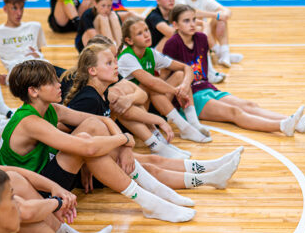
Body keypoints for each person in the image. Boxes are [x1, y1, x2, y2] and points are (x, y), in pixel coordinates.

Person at [0, 60, 195, 223]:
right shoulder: (29, 121)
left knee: (93, 126)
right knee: (87, 141)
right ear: (33, 91)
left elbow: (103, 120)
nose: (59, 84)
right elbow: (88, 147)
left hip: (45, 178)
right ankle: (151, 200)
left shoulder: (52, 110)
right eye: (52, 82)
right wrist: (125, 138)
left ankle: (153, 197)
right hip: (32, 194)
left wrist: (125, 147)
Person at [65, 43, 241, 192]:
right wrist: (84, 163)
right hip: (87, 169)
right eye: (110, 62)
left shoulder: (103, 94)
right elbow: (65, 131)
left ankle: (213, 167)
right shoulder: (88, 99)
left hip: (103, 155)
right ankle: (209, 179)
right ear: (93, 70)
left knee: (155, 160)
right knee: (150, 168)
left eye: (115, 60)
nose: (116, 66)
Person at [164, 5, 305, 135]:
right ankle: (281, 126)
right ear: (175, 25)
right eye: (186, 21)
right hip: (191, 96)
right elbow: (167, 77)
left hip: (207, 87)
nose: (192, 24)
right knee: (234, 112)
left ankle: (297, 123)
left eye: (193, 20)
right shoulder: (172, 44)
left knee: (249, 105)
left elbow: (208, 37)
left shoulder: (201, 38)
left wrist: (205, 24)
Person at [118, 18, 212, 144]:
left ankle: (194, 123)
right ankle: (184, 128)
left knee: (179, 75)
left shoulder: (150, 52)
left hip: (152, 105)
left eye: (146, 30)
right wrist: (177, 91)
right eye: (140, 33)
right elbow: (151, 82)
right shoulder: (126, 57)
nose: (146, 34)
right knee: (149, 86)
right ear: (129, 40)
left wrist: (183, 86)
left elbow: (186, 68)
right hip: (131, 113)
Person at [147, 0, 225, 83]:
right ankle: (216, 56)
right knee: (179, 35)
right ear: (158, 0)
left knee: (195, 32)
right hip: (153, 58)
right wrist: (197, 29)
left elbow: (192, 14)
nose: (171, 0)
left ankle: (209, 68)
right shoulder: (154, 16)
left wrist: (201, 24)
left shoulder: (172, 13)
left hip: (167, 54)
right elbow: (171, 32)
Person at [0, 0, 66, 80]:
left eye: (21, 8)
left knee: (73, 77)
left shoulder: (34, 27)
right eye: (14, 8)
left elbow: (39, 52)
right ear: (5, 9)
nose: (19, 13)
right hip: (20, 74)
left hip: (42, 66)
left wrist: (37, 56)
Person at [175, 0, 243, 68]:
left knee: (220, 18)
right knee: (201, 27)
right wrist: (216, 15)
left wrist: (223, 15)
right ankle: (222, 53)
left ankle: (224, 53)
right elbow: (192, 12)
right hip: (186, 36)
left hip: (205, 35)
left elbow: (226, 10)